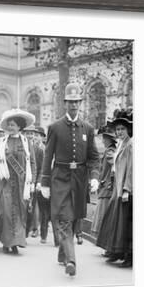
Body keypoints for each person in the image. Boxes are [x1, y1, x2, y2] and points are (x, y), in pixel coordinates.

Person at [40, 83, 100, 276]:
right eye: (70, 102)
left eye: (76, 102)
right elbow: (48, 156)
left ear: (80, 103)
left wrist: (94, 176)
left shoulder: (88, 128)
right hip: (61, 178)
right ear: (64, 103)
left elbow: (93, 157)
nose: (73, 106)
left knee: (74, 220)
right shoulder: (55, 127)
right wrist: (45, 182)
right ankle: (71, 261)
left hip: (80, 180)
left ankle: (61, 253)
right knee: (65, 219)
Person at [0, 110, 36, 254]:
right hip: (4, 183)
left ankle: (16, 242)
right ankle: (6, 241)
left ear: (19, 127)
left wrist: (32, 182)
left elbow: (32, 163)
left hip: (21, 185)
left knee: (20, 213)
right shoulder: (1, 143)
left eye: (13, 125)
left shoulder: (27, 143)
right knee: (5, 212)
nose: (10, 127)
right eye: (9, 125)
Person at [96, 108, 133, 267]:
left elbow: (131, 168)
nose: (119, 132)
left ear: (128, 130)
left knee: (126, 224)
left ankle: (128, 255)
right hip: (116, 187)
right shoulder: (121, 145)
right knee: (114, 221)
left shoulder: (130, 145)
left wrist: (126, 189)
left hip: (124, 188)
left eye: (122, 129)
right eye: (117, 129)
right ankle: (115, 251)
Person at [92, 125, 117, 251]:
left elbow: (113, 169)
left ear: (109, 139)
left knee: (104, 216)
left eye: (104, 138)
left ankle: (107, 245)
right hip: (105, 186)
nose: (103, 140)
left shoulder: (110, 151)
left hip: (107, 187)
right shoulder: (110, 150)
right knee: (104, 216)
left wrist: (105, 181)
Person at [33, 126, 54, 245]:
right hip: (37, 182)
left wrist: (40, 182)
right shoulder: (32, 148)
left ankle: (44, 234)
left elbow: (44, 168)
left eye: (38, 135)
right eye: (35, 135)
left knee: (45, 210)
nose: (36, 137)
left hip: (45, 182)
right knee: (41, 209)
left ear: (42, 137)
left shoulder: (44, 150)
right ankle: (41, 233)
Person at [23, 125, 41, 239]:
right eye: (27, 133)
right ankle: (24, 229)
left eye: (32, 133)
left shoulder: (39, 150)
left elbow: (41, 168)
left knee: (32, 206)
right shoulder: (21, 146)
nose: (30, 135)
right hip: (22, 181)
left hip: (32, 182)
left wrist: (37, 181)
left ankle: (34, 228)